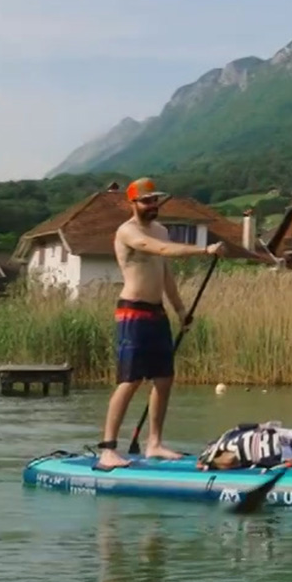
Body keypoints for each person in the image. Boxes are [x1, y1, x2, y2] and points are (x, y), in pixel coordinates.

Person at [95, 177, 225, 471]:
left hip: (157, 311)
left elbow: (165, 273)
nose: (153, 206)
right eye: (147, 201)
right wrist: (204, 251)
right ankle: (108, 449)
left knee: (164, 379)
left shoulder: (161, 229)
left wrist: (180, 309)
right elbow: (162, 251)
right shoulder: (127, 232)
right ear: (133, 203)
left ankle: (154, 443)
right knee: (130, 380)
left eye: (155, 200)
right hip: (132, 311)